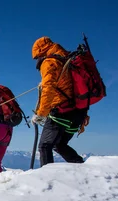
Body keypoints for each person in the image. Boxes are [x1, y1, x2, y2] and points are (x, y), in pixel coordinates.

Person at [31, 36, 86, 166]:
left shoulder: (49, 62)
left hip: (62, 110)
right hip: (79, 112)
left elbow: (48, 89)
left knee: (45, 146)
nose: (37, 59)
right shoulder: (67, 59)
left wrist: (40, 114)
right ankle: (83, 170)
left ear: (41, 51)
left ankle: (47, 181)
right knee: (59, 144)